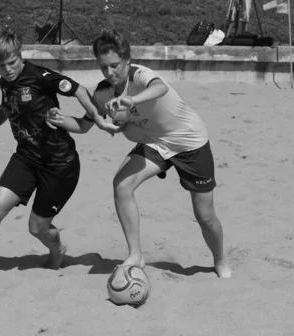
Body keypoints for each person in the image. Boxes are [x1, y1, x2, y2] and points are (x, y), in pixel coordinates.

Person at [47, 30, 231, 278]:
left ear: (127, 60)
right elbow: (84, 125)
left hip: (190, 142)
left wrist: (130, 101)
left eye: (114, 66)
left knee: (205, 216)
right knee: (121, 185)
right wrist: (58, 120)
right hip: (155, 143)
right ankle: (135, 255)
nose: (110, 73)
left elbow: (160, 88)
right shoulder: (102, 93)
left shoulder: (140, 75)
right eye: (104, 68)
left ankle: (219, 260)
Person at [0, 27, 119, 281]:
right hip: (26, 158)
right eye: (0, 66)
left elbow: (80, 90)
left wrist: (98, 119)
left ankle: (57, 248)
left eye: (12, 62)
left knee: (37, 227)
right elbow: (6, 107)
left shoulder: (41, 76)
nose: (7, 70)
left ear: (20, 54)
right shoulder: (5, 81)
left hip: (60, 165)